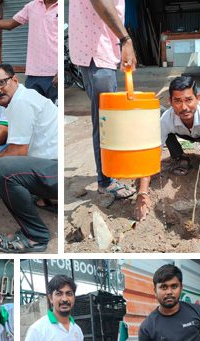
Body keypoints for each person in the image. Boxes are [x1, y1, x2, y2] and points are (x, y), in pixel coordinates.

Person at [0, 64, 57, 253]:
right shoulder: (15, 101)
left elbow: (17, 151)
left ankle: (35, 236)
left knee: (4, 170)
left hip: (55, 170)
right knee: (3, 163)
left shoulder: (22, 102)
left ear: (15, 80)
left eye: (1, 83)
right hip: (52, 165)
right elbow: (9, 142)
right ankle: (45, 199)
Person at [136, 76, 200, 243]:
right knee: (165, 134)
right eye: (177, 101)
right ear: (170, 101)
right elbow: (153, 152)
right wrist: (143, 192)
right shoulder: (167, 119)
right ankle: (180, 156)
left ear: (197, 99)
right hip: (180, 132)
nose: (184, 107)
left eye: (188, 100)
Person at [70, 0, 138, 200]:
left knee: (104, 117)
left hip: (95, 50)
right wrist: (126, 39)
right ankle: (106, 181)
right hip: (96, 50)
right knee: (105, 121)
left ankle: (108, 173)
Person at [0, 0, 58, 101]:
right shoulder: (32, 6)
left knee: (56, 114)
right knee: (31, 113)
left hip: (55, 73)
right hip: (33, 74)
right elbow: (10, 24)